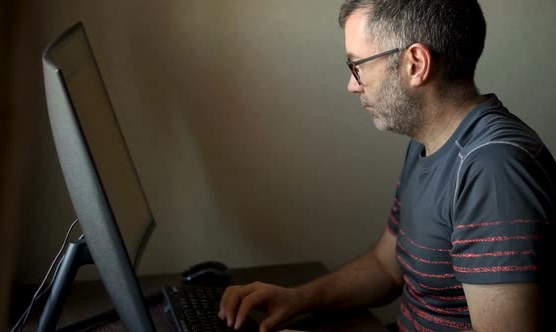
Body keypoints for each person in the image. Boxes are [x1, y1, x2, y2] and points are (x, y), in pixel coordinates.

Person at [218, 0, 555, 331]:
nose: (352, 85)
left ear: (415, 64)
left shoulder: (493, 169)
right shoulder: (427, 142)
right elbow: (387, 266)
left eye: (357, 65)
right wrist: (297, 298)